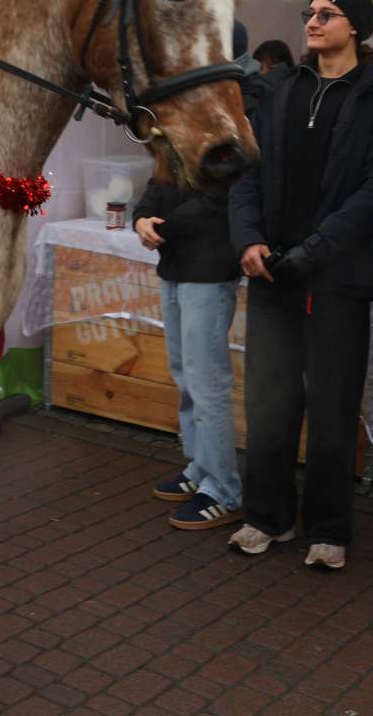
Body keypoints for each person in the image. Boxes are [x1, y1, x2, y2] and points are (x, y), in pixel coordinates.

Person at [226, 0, 373, 570]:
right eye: (309, 12)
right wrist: (247, 238)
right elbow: (247, 171)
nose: (311, 21)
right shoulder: (281, 86)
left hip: (336, 279)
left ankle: (329, 527)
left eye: (326, 14)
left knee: (332, 407)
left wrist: (315, 250)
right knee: (268, 403)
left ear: (354, 25)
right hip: (272, 272)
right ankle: (267, 517)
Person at [135, 165, 243, 531]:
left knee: (206, 381)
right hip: (175, 265)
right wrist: (141, 219)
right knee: (184, 373)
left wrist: (160, 228)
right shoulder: (173, 143)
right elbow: (157, 183)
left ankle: (224, 489)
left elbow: (217, 198)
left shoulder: (225, 140)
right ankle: (201, 466)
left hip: (210, 269)